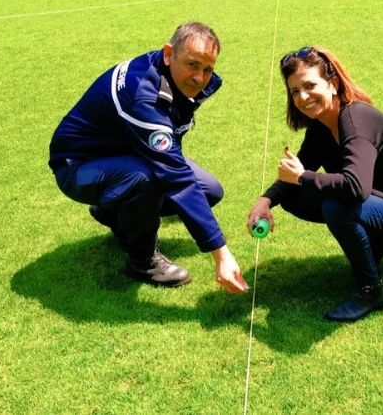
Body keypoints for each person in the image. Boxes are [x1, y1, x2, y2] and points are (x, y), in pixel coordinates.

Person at [49, 21, 248, 294]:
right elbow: (176, 178)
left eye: (207, 69)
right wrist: (221, 255)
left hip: (123, 152)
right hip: (78, 166)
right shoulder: (144, 96)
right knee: (149, 177)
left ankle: (114, 211)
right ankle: (142, 260)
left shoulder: (164, 70)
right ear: (169, 53)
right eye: (192, 65)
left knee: (208, 190)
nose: (199, 77)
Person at [247, 46, 383, 321]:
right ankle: (373, 249)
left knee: (337, 206)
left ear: (333, 82)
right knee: (293, 196)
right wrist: (265, 200)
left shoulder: (355, 118)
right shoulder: (321, 126)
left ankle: (370, 291)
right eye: (294, 91)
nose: (302, 97)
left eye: (309, 85)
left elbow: (355, 187)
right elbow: (300, 168)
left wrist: (303, 177)